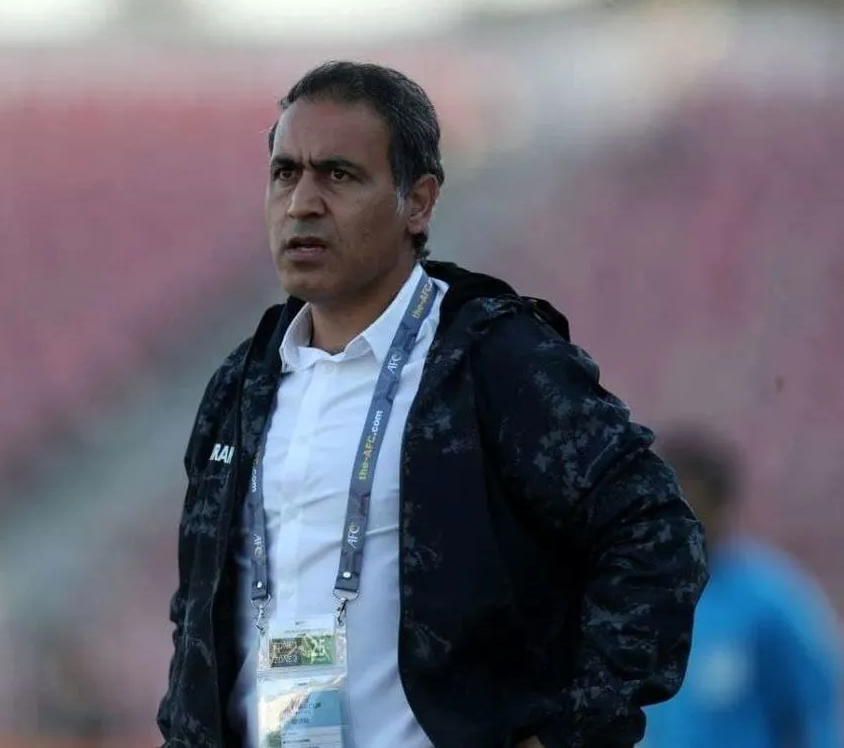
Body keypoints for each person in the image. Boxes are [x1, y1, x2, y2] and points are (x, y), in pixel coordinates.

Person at [156, 61, 709, 748]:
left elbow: (657, 536)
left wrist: (572, 731)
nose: (301, 203)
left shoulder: (492, 359)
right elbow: (198, 611)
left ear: (417, 202)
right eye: (285, 173)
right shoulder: (240, 385)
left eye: (338, 175)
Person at [641, 428, 842, 748]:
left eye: (685, 504)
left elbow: (819, 710)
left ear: (720, 506)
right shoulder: (644, 597)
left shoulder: (770, 600)